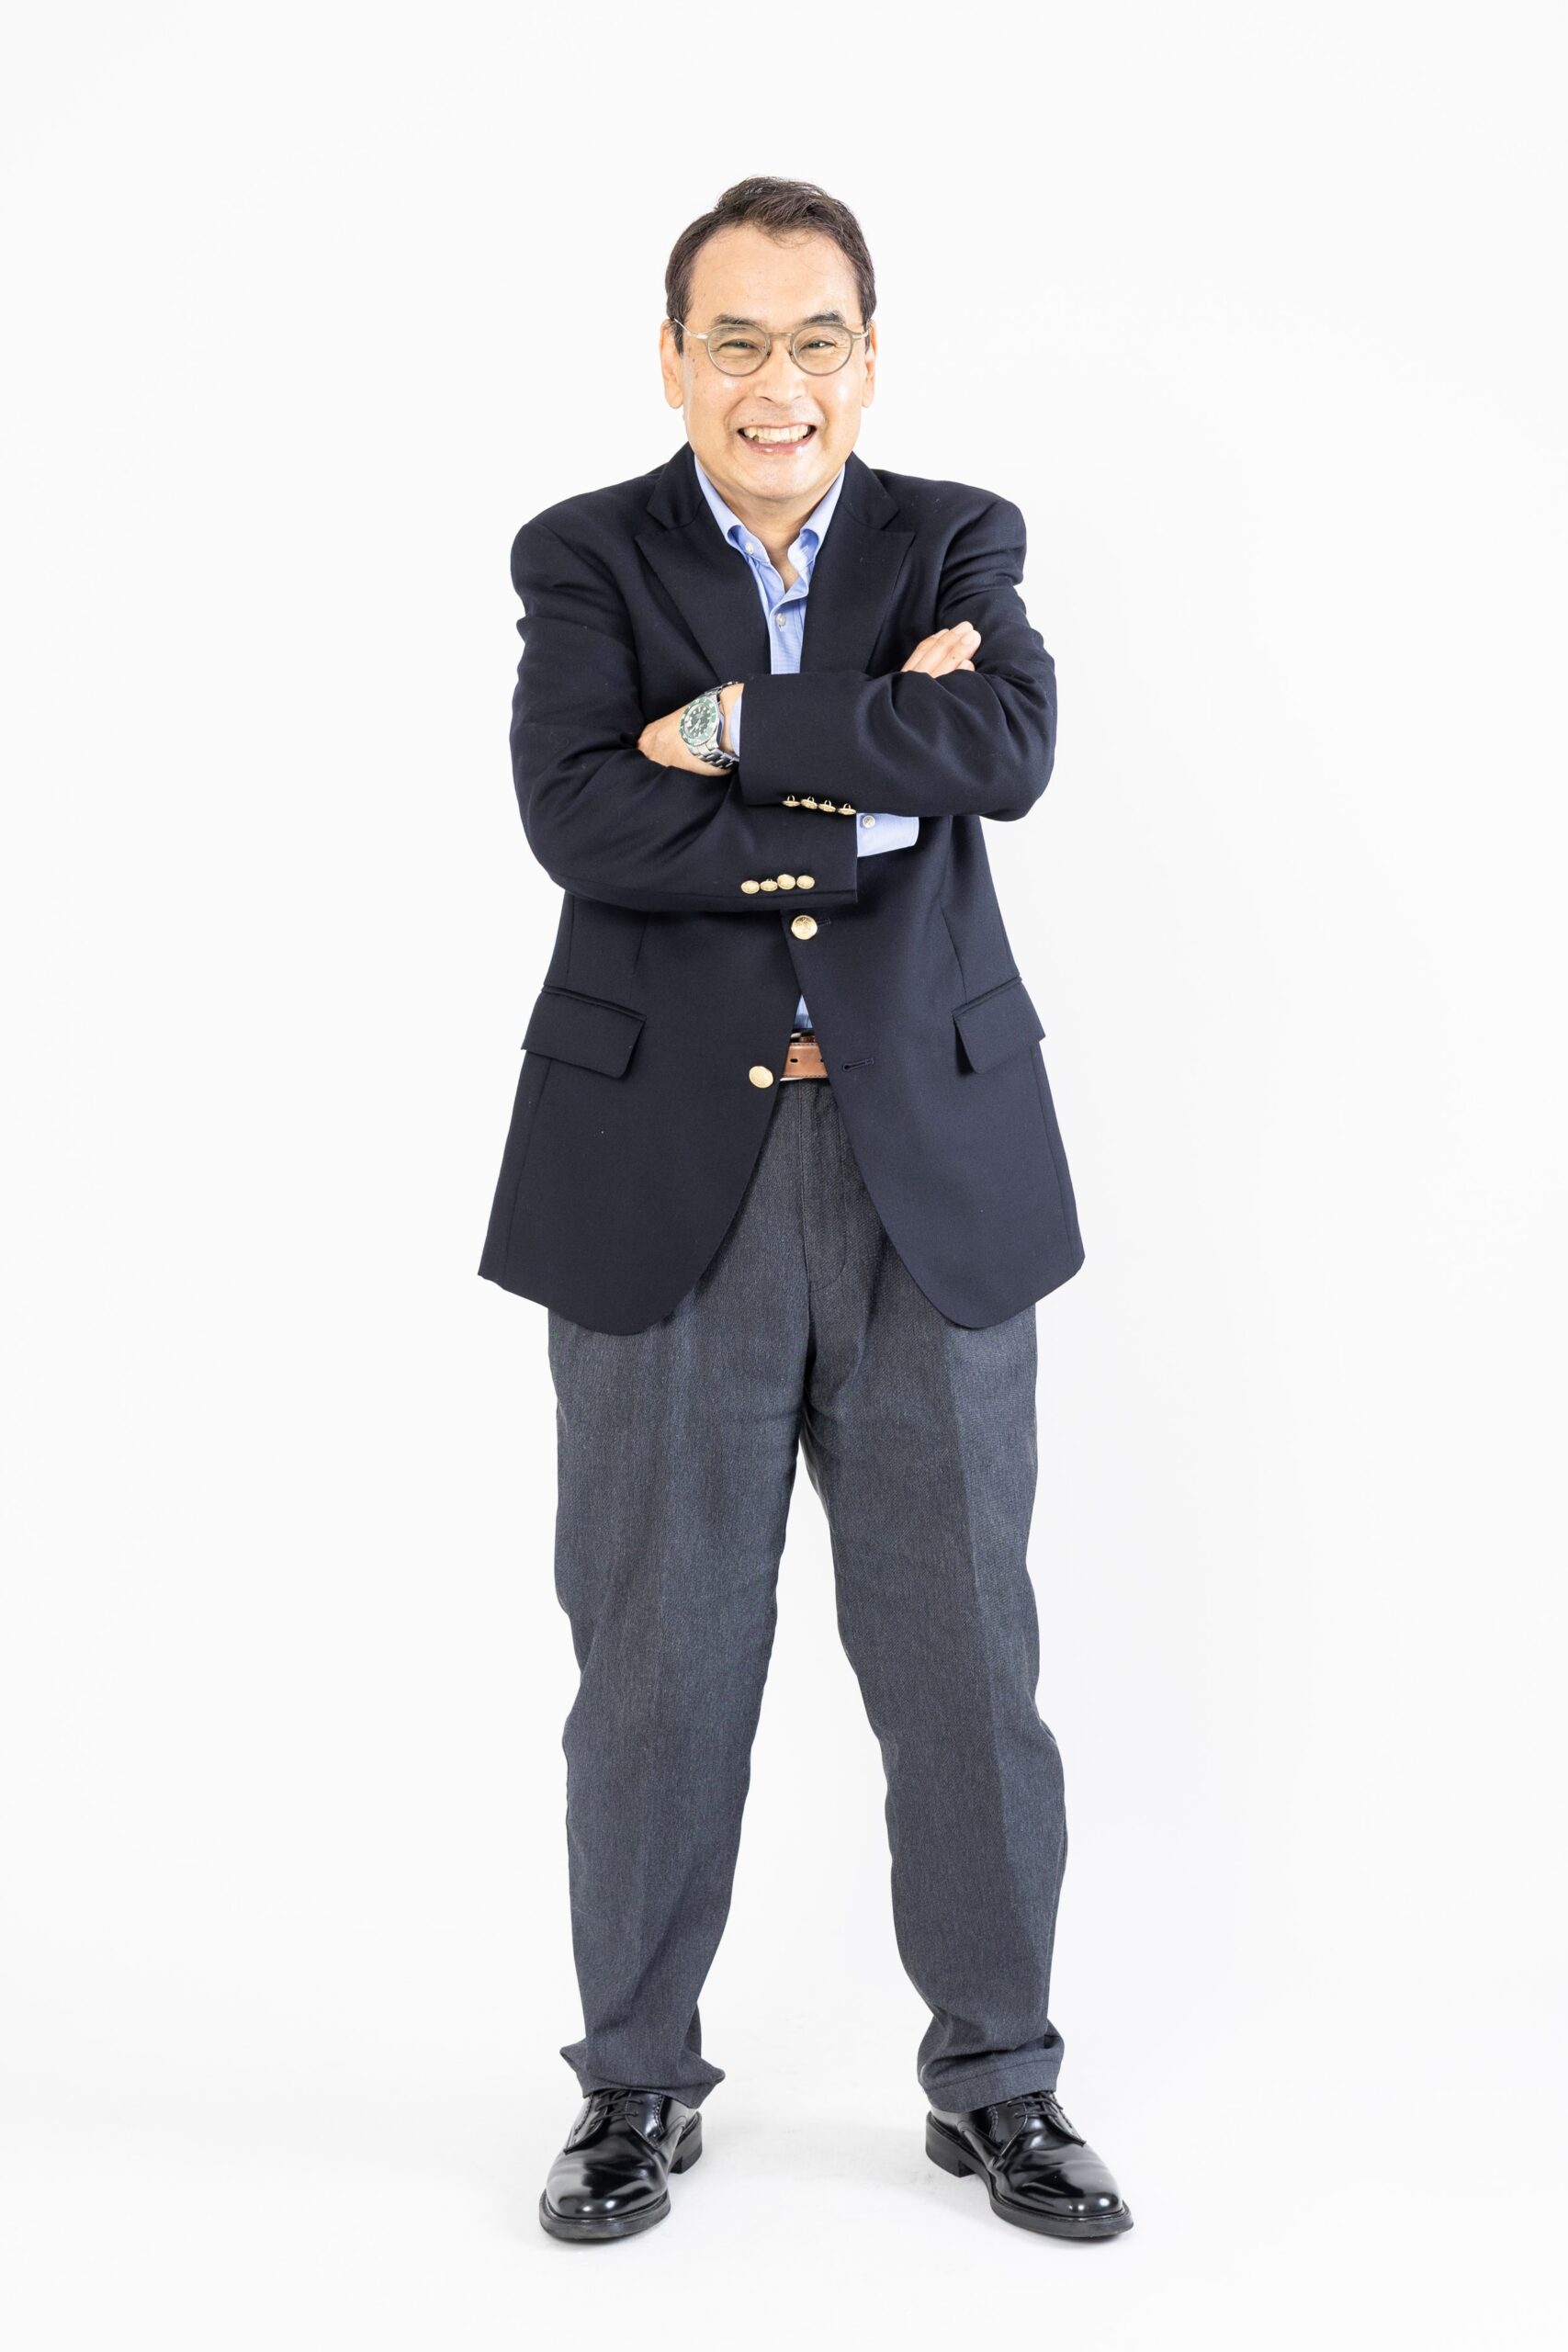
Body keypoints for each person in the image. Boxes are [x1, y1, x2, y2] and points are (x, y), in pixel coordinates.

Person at [478, 175, 1132, 2245]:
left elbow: (1001, 747)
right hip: (661, 1176)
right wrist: (865, 789)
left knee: (963, 1661)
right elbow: (578, 811)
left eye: (817, 338)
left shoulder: (956, 535)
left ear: (868, 355)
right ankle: (632, 2084)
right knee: (656, 1663)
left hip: (933, 1171)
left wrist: (735, 729)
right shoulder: (584, 550)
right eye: (737, 340)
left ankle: (1000, 2081)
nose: (780, 382)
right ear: (673, 360)